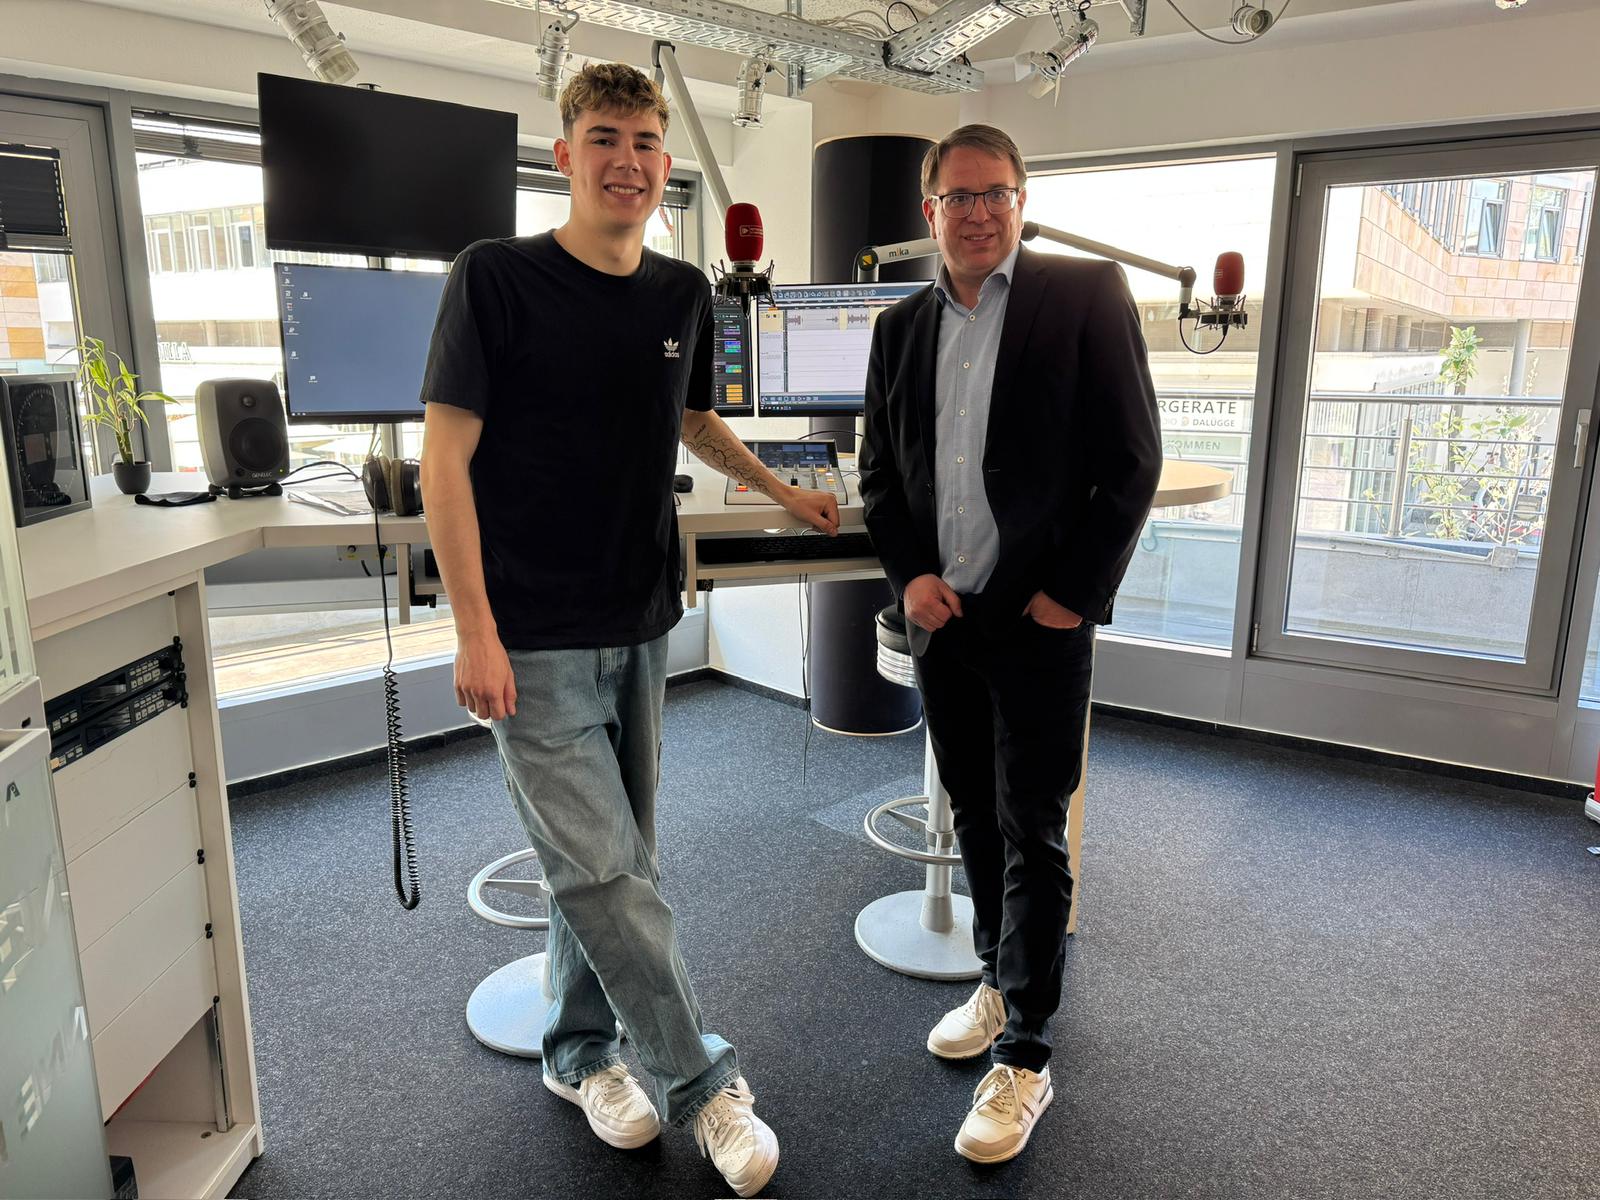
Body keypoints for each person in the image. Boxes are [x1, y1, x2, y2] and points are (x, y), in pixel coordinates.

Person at [418, 61, 838, 1198]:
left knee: (607, 867)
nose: (629, 161)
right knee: (606, 871)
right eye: (605, 138)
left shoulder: (681, 291)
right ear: (565, 156)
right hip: (532, 633)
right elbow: (443, 462)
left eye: (647, 142)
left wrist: (781, 490)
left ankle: (577, 1050)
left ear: (665, 162)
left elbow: (692, 418)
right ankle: (703, 1086)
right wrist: (473, 631)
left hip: (640, 619)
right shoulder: (495, 278)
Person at [858, 123, 1161, 1164]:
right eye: (959, 196)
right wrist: (910, 577)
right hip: (946, 621)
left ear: (1022, 204)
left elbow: (1133, 462)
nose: (978, 212)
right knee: (976, 819)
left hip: (1037, 617)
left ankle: (1026, 1055)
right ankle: (996, 980)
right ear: (930, 212)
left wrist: (1070, 598)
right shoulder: (899, 328)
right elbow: (880, 477)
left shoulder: (1085, 296)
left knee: (1033, 827)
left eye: (997, 193)